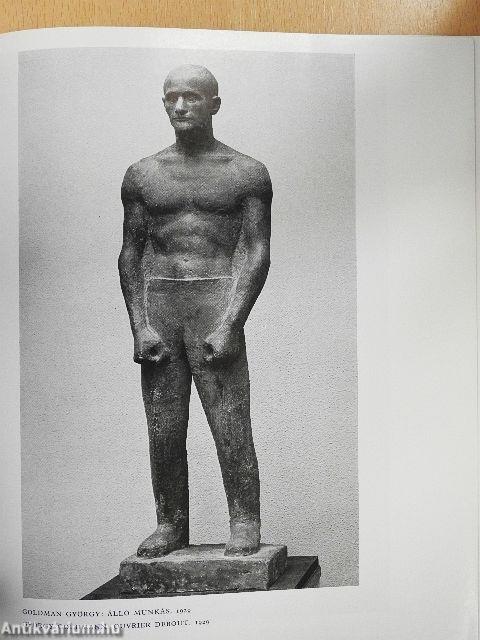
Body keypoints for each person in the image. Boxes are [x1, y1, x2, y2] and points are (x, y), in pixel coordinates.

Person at [118, 64, 272, 557]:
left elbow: (257, 250)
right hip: (161, 303)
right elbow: (131, 253)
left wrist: (232, 321)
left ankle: (244, 520)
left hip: (215, 301)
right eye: (171, 97)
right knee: (163, 427)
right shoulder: (143, 174)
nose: (180, 106)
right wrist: (139, 325)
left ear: (214, 104)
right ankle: (170, 525)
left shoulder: (246, 172)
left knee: (230, 422)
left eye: (191, 96)